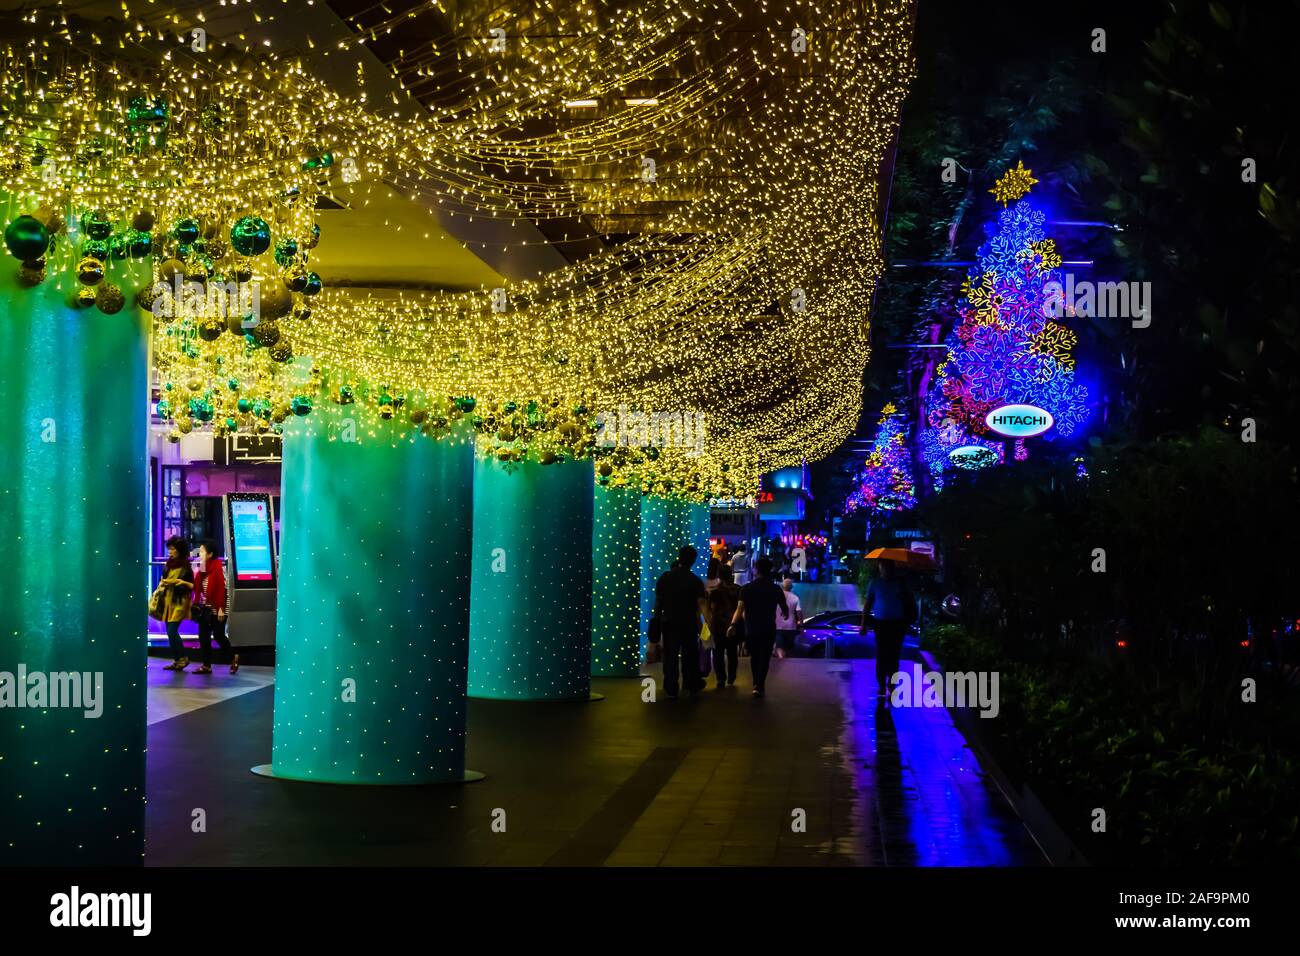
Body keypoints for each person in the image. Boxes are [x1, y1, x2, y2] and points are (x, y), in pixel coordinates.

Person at [653, 545, 709, 699]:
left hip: (669, 622)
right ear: (693, 561)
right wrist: (707, 625)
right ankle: (690, 683)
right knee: (689, 654)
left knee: (670, 654)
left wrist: (656, 619)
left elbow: (658, 602)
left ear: (679, 557)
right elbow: (702, 605)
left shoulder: (665, 577)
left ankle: (671, 686)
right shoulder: (695, 581)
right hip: (688, 623)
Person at [728, 556, 787, 697]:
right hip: (768, 628)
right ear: (770, 570)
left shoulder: (747, 588)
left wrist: (732, 624)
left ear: (756, 570)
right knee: (765, 657)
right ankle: (760, 684)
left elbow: (739, 609)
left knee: (754, 657)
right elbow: (784, 607)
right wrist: (786, 614)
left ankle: (756, 683)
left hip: (752, 628)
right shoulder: (775, 589)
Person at [861, 559, 916, 699]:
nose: (885, 569)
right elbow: (867, 605)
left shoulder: (901, 583)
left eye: (888, 567)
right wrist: (863, 624)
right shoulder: (875, 583)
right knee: (881, 655)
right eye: (882, 567)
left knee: (894, 656)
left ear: (892, 568)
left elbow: (909, 602)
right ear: (880, 568)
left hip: (897, 624)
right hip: (880, 624)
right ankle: (881, 685)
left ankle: (892, 685)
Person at [193, 540, 239, 675]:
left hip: (218, 608)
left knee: (218, 635)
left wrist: (220, 609)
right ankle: (206, 665)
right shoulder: (202, 567)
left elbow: (222, 591)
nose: (199, 553)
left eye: (202, 551)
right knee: (203, 636)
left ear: (210, 554)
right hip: (205, 608)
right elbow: (199, 587)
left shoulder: (219, 568)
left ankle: (233, 657)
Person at [159, 535, 195, 671]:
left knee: (172, 631)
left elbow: (191, 585)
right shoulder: (168, 564)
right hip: (168, 601)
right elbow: (164, 578)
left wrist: (176, 583)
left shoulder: (186, 567)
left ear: (179, 550)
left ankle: (182, 659)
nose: (170, 552)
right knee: (170, 632)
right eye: (169, 549)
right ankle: (178, 660)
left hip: (180, 602)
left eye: (173, 549)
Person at [707, 564, 743, 688]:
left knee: (718, 653)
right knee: (732, 652)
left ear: (719, 575)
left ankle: (720, 679)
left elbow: (711, 609)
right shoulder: (738, 589)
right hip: (733, 625)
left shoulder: (715, 592)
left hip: (718, 625)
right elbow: (741, 608)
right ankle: (731, 677)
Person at [774, 578, 803, 659]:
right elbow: (799, 612)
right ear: (792, 587)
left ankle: (781, 659)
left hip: (778, 626)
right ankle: (785, 661)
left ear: (782, 586)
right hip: (791, 627)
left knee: (779, 646)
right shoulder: (795, 597)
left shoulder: (777, 596)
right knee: (788, 648)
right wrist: (801, 624)